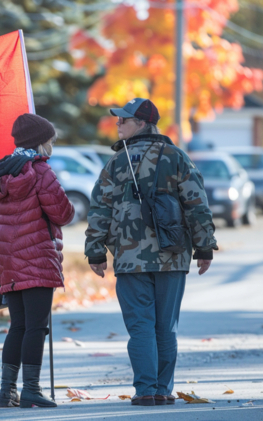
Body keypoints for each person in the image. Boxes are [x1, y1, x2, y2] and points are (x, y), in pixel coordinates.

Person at [85, 98, 218, 406]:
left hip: (130, 259)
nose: (118, 125)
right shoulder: (177, 157)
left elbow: (99, 209)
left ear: (142, 123)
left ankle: (146, 390)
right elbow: (197, 204)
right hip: (172, 255)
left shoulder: (116, 163)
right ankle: (162, 389)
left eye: (124, 120)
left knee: (140, 326)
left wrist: (95, 251)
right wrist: (204, 246)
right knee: (165, 326)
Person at [0, 113, 74, 408]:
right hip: (37, 257)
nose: (51, 146)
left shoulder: (2, 173)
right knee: (37, 326)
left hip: (9, 261)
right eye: (50, 141)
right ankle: (32, 389)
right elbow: (62, 213)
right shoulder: (41, 172)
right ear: (40, 142)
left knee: (18, 326)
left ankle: (6, 390)